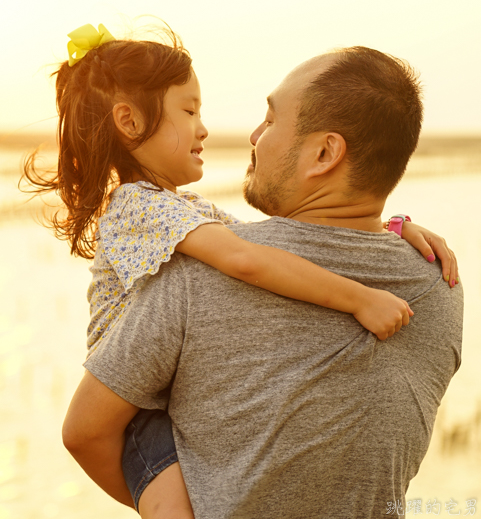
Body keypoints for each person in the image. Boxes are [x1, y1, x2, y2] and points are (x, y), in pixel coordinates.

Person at [60, 41, 462, 518]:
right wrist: (372, 270)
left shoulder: (190, 274)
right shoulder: (441, 285)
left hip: (127, 396)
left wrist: (393, 231)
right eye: (189, 111)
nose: (250, 134)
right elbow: (245, 254)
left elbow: (83, 431)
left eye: (270, 121)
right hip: (136, 408)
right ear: (130, 122)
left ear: (324, 153)